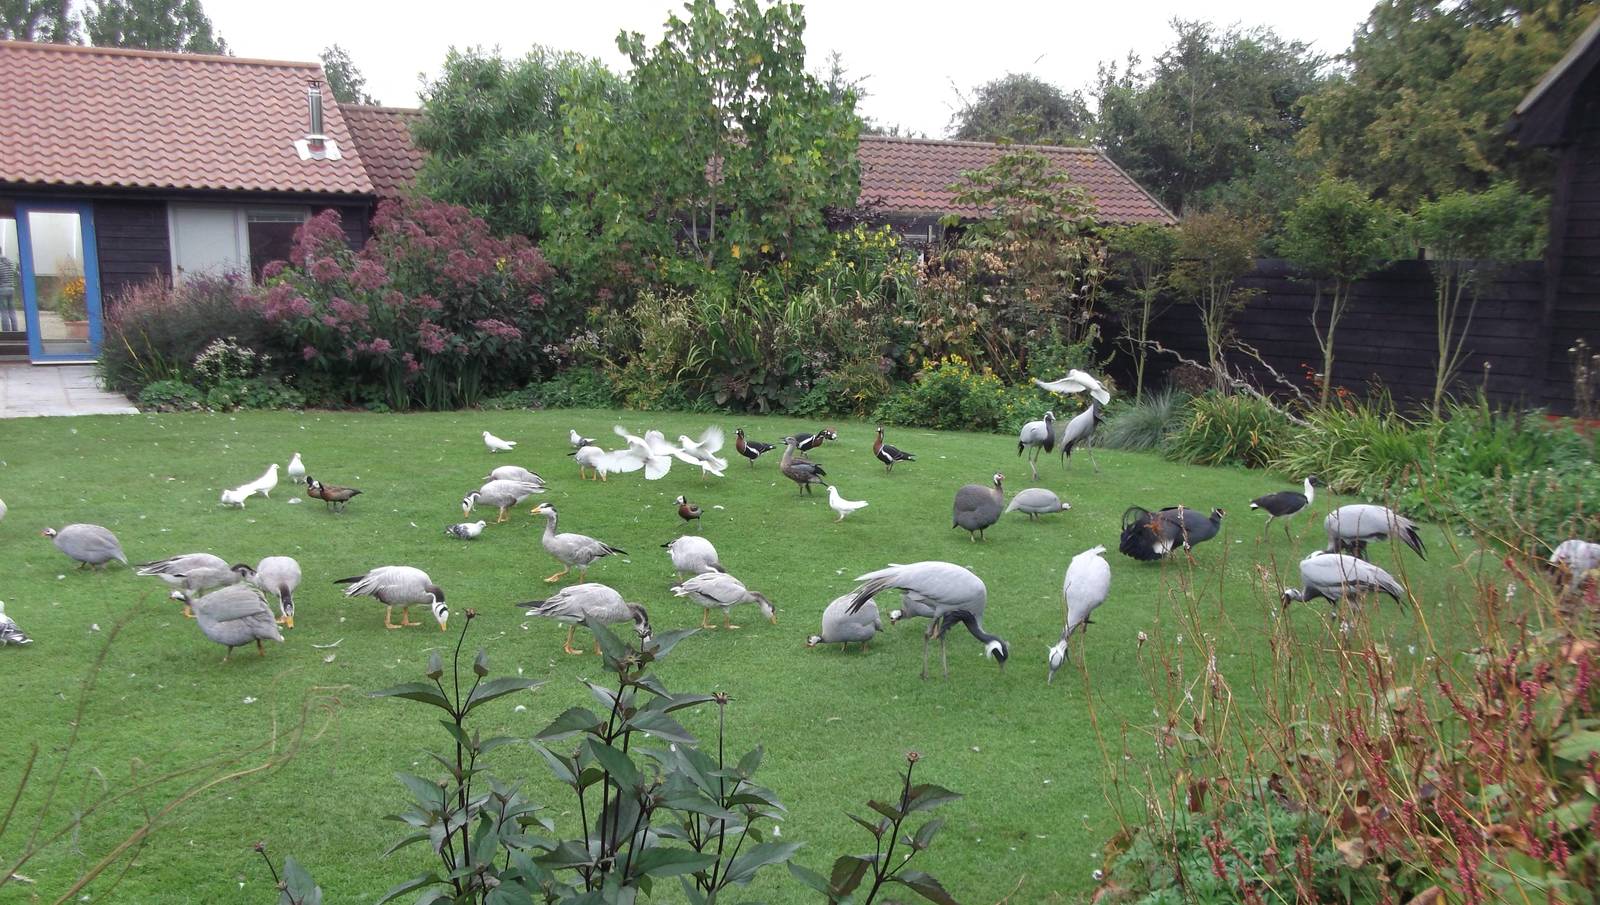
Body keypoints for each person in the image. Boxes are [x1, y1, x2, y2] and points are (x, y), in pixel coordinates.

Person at [0, 253, 19, 332]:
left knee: (4, 312)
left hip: (2, 290)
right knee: (12, 311)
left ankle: (6, 332)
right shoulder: (10, 262)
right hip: (11, 289)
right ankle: (15, 330)